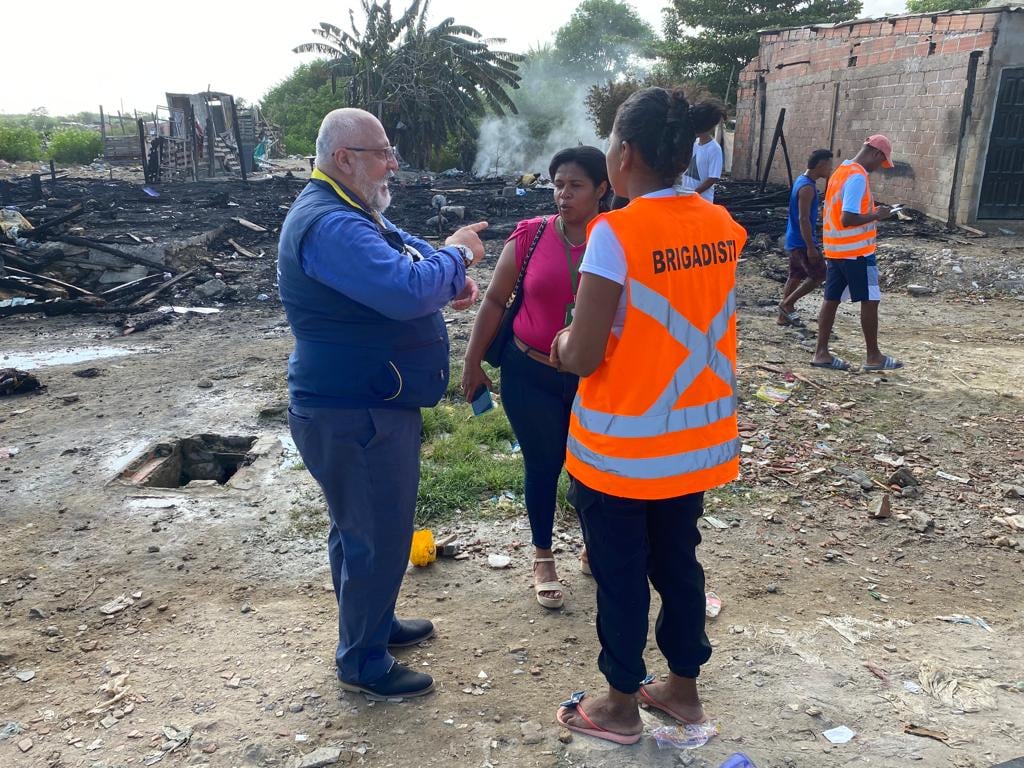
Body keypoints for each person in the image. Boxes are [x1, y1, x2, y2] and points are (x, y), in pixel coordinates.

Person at [550, 87, 747, 745]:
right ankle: (683, 691)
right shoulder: (720, 226)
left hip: (622, 450)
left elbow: (583, 354)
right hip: (694, 442)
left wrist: (560, 342)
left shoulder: (615, 232)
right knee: (679, 564)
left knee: (621, 575)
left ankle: (618, 706)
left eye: (610, 140)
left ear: (625, 152)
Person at [278, 108, 487, 701]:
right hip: (355, 410)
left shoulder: (351, 210)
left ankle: (373, 623)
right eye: (382, 153)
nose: (393, 163)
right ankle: (364, 662)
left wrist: (444, 269)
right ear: (344, 158)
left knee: (360, 528)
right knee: (376, 533)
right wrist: (458, 258)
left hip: (362, 402)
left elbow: (405, 251)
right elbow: (402, 289)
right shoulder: (332, 225)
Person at [461, 146, 611, 610]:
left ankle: (593, 545)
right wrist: (472, 361)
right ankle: (543, 556)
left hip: (595, 377)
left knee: (593, 467)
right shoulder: (531, 235)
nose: (563, 195)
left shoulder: (617, 238)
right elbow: (494, 300)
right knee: (543, 464)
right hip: (529, 372)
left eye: (575, 186)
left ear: (602, 189)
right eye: (558, 185)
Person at [812, 135, 903, 372]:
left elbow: (840, 212)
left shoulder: (839, 173)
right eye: (880, 162)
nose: (878, 168)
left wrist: (871, 212)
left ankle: (821, 353)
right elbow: (848, 217)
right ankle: (873, 356)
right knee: (870, 300)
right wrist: (877, 215)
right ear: (876, 153)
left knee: (831, 300)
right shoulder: (857, 176)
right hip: (857, 252)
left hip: (836, 250)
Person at [778, 149, 834, 327]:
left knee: (795, 275)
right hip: (802, 241)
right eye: (829, 165)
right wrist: (810, 247)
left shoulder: (802, 181)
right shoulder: (808, 188)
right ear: (820, 165)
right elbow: (803, 219)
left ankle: (782, 317)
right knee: (819, 275)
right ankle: (787, 305)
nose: (831, 169)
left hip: (794, 238)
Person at [679, 99, 728, 202]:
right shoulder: (694, 143)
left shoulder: (714, 149)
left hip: (702, 200)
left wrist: (694, 193)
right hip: (685, 196)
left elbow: (713, 178)